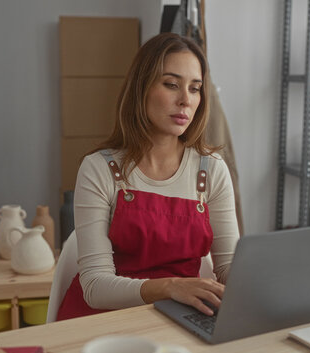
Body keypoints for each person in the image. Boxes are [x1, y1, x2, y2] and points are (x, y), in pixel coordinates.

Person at [56, 32, 240, 321]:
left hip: (183, 318)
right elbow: (95, 287)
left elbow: (229, 270)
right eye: (171, 85)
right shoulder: (99, 169)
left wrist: (268, 274)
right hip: (102, 319)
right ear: (141, 88)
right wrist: (171, 287)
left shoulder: (212, 169)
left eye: (195, 88)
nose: (185, 100)